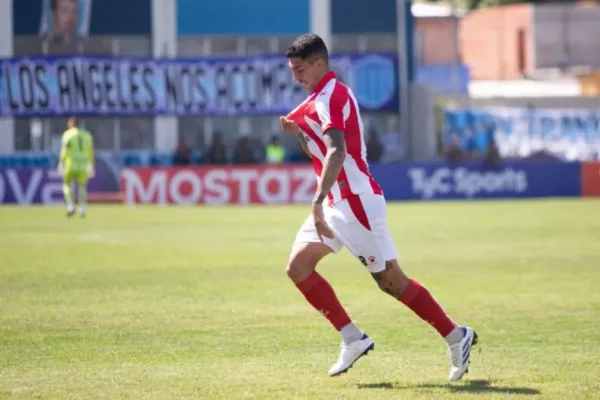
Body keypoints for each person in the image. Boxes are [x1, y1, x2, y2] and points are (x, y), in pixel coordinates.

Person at [279, 34, 477, 381]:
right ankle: (352, 338)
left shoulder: (330, 97)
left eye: (299, 69)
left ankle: (456, 336)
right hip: (335, 201)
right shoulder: (318, 98)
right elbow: (320, 152)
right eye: (292, 70)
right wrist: (299, 133)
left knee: (390, 281)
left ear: (318, 63)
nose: (295, 76)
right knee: (298, 267)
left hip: (355, 202)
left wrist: (314, 202)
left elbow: (337, 153)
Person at [57, 117, 95, 217]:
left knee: (67, 184)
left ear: (71, 124)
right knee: (82, 187)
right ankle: (82, 208)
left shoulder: (68, 134)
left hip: (71, 164)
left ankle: (70, 206)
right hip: (83, 164)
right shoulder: (87, 135)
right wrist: (90, 163)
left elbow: (64, 150)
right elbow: (91, 151)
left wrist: (61, 162)